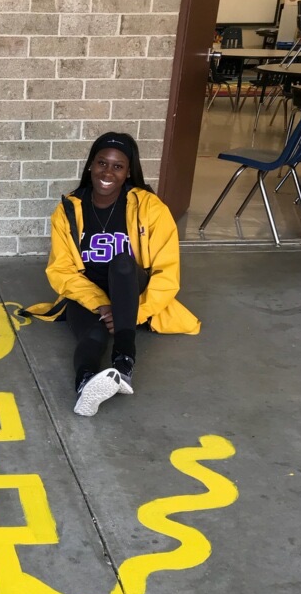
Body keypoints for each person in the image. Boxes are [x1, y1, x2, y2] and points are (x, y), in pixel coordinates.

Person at [24, 131, 200, 417]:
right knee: (90, 335)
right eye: (101, 163)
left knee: (122, 263)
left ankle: (124, 361)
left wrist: (130, 314)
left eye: (117, 166)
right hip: (89, 292)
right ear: (90, 166)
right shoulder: (68, 209)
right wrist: (100, 305)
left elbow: (167, 274)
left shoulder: (150, 208)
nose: (108, 172)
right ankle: (85, 385)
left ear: (128, 172)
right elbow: (61, 269)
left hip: (132, 289)